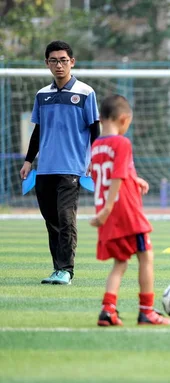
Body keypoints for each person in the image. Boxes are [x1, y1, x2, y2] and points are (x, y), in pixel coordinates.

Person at [20, 40, 100, 285]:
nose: (59, 65)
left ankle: (66, 270)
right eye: (53, 60)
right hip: (45, 169)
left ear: (72, 62)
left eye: (63, 60)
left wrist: (94, 158)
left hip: (72, 168)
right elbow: (38, 130)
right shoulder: (42, 95)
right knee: (51, 221)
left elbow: (95, 129)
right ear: (47, 63)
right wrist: (28, 161)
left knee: (66, 218)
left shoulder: (86, 93)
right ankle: (58, 269)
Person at [90, 94, 170, 326]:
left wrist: (134, 180)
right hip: (124, 210)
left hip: (107, 211)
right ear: (124, 119)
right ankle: (146, 311)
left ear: (100, 118)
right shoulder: (122, 142)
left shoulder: (97, 145)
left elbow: (106, 174)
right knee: (146, 256)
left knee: (121, 261)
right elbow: (116, 175)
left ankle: (108, 310)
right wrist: (108, 208)